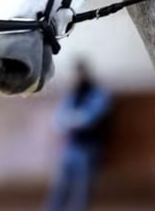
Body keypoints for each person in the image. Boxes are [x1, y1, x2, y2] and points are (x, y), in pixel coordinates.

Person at [46, 60, 112, 211]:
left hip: (89, 148)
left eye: (78, 74)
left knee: (81, 192)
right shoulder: (72, 94)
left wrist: (71, 119)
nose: (75, 78)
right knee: (59, 189)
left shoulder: (98, 93)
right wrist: (72, 119)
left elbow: (88, 119)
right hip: (70, 147)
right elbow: (57, 120)